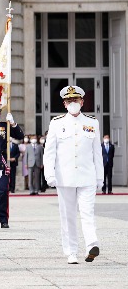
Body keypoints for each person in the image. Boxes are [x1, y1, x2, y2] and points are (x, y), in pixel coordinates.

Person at [44, 85, 103, 265]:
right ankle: (71, 251)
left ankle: (92, 244)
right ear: (64, 104)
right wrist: (50, 174)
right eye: (69, 101)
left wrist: (99, 177)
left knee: (87, 212)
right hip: (65, 176)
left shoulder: (92, 123)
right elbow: (50, 151)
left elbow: (97, 153)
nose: (73, 103)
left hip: (87, 176)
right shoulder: (57, 123)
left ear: (82, 102)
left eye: (76, 100)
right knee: (68, 215)